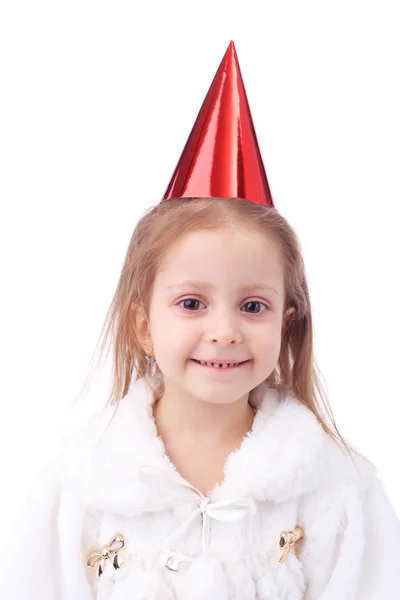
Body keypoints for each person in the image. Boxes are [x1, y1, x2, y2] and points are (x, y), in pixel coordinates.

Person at [1, 40, 400, 600]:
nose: (225, 330)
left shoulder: (335, 487)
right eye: (192, 303)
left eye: (253, 306)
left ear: (285, 325)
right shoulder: (84, 481)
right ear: (143, 324)